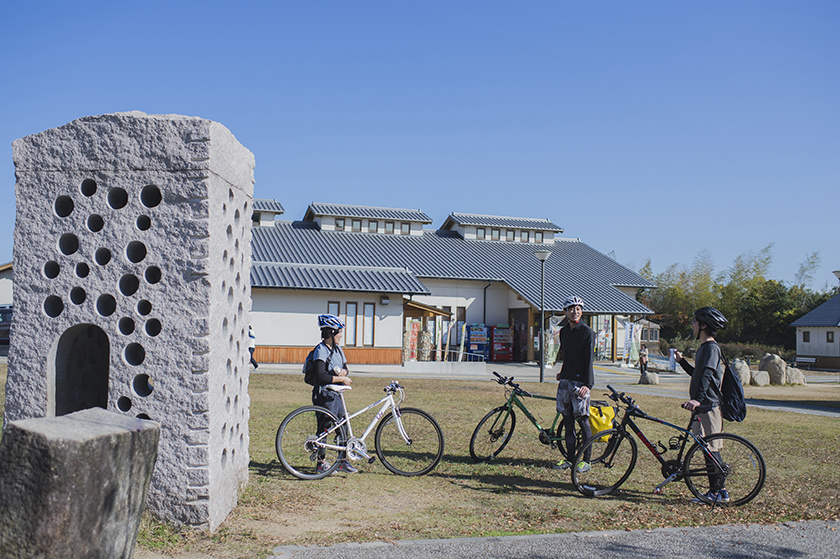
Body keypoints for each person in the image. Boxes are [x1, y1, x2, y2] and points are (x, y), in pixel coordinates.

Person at [674, 306, 728, 504]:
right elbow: (698, 374)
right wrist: (682, 362)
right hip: (702, 406)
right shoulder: (705, 348)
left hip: (709, 406)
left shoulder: (712, 348)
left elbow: (706, 375)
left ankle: (715, 492)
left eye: (695, 322)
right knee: (705, 448)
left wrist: (697, 399)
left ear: (704, 325)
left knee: (711, 449)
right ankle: (720, 491)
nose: (692, 325)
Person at [553, 296, 595, 473]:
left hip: (580, 382)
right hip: (565, 381)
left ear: (582, 311)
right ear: (565, 312)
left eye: (578, 308)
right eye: (571, 308)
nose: (575, 311)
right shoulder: (563, 332)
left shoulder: (587, 332)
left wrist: (588, 384)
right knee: (567, 421)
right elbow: (568, 356)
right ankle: (570, 458)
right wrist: (563, 372)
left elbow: (588, 361)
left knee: (583, 421)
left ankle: (586, 460)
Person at [311, 314, 357, 474]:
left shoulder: (338, 350)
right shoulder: (321, 350)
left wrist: (344, 372)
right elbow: (320, 375)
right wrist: (341, 378)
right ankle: (320, 463)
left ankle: (342, 460)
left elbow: (345, 366)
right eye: (339, 332)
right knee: (325, 428)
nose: (341, 335)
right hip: (323, 394)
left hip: (336, 395)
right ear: (331, 332)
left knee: (342, 425)